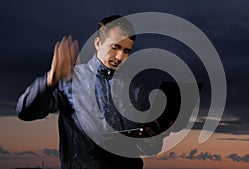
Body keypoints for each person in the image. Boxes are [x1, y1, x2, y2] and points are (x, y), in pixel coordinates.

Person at [16, 15, 163, 169]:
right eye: (115, 47)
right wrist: (49, 81)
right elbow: (26, 112)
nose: (120, 57)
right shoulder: (70, 81)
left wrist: (151, 141)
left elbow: (147, 146)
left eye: (127, 51)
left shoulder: (135, 89)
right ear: (98, 43)